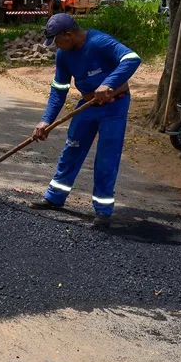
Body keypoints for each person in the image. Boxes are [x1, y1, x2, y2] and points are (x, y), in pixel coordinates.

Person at [29, 13, 141, 229]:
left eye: (57, 41)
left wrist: (109, 83)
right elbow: (59, 90)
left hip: (114, 105)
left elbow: (131, 58)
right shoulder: (64, 55)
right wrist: (45, 121)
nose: (56, 46)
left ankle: (103, 211)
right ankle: (55, 197)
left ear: (68, 35)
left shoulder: (100, 42)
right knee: (72, 148)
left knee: (107, 157)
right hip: (87, 106)